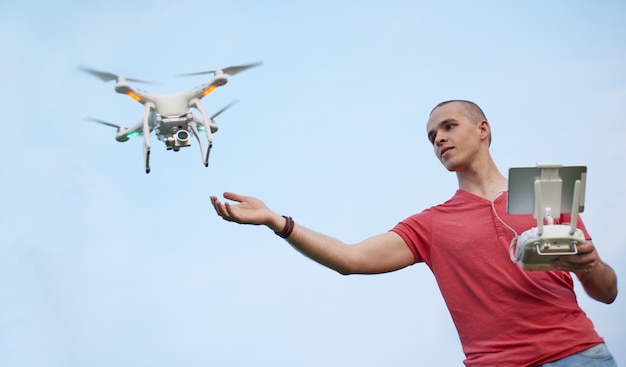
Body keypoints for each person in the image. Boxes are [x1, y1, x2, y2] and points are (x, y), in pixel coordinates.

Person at [210, 100, 618, 367]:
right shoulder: (431, 225)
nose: (439, 138)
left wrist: (590, 265)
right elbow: (351, 260)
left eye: (448, 126)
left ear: (483, 129)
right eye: (431, 136)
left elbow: (607, 291)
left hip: (579, 354)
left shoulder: (545, 193)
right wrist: (276, 221)